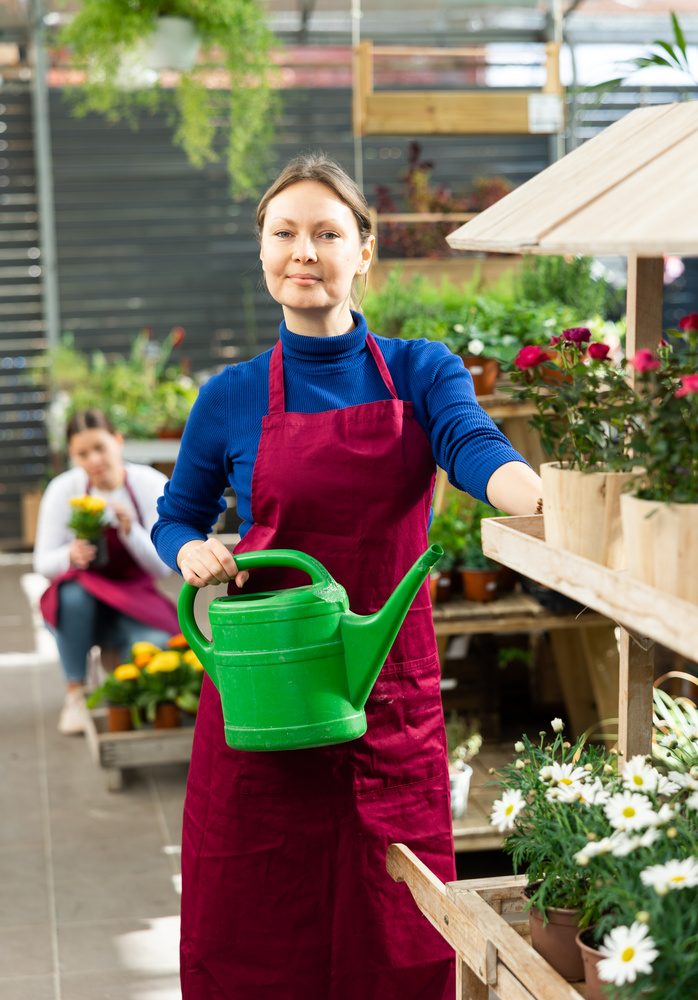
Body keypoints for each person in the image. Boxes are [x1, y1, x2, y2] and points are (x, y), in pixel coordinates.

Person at [152, 152, 543, 1000]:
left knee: (395, 923)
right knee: (255, 925)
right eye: (285, 233)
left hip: (385, 693)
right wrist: (189, 551)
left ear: (364, 251)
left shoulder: (421, 370)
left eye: (327, 233)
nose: (304, 251)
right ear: (263, 250)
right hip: (263, 696)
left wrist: (542, 499)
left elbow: (473, 445)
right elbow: (176, 514)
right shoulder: (229, 396)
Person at [34, 409, 180, 735]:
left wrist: (131, 531)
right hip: (83, 603)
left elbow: (162, 568)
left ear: (118, 441)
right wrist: (70, 554)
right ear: (72, 456)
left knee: (159, 644)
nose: (94, 460)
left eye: (100, 447)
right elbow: (42, 563)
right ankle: (76, 692)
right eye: (83, 454)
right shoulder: (64, 490)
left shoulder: (150, 485)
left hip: (135, 597)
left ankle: (122, 681)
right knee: (70, 595)